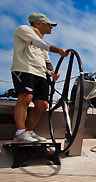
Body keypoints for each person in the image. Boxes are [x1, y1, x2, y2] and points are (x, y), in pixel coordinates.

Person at [11, 13, 69, 142]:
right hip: (24, 69)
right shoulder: (24, 30)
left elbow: (47, 61)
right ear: (38, 23)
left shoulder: (43, 43)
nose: (51, 28)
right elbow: (36, 42)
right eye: (49, 24)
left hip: (41, 74)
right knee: (25, 98)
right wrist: (59, 50)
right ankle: (20, 132)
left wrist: (52, 73)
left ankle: (28, 131)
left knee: (42, 105)